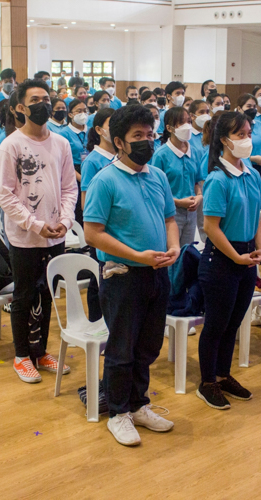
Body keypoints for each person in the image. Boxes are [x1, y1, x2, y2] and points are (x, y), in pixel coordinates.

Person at [84, 104, 179, 446]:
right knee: (122, 349)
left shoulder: (157, 176)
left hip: (157, 274)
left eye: (150, 134)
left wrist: (174, 247)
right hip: (123, 275)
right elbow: (93, 233)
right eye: (137, 136)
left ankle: (138, 404)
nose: (146, 142)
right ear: (120, 142)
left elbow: (170, 218)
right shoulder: (104, 180)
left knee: (148, 345)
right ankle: (119, 413)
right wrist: (137, 255)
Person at [0, 79, 76, 381]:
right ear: (21, 107)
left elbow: (69, 187)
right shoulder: (11, 144)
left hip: (56, 233)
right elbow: (4, 193)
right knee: (25, 295)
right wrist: (35, 224)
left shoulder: (62, 144)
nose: (43, 104)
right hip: (25, 236)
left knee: (47, 294)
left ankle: (41, 352)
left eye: (47, 98)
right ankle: (21, 355)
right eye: (35, 99)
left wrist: (65, 222)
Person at [196, 111, 261, 409]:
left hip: (246, 256)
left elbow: (257, 218)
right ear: (224, 140)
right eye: (240, 135)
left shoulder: (250, 173)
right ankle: (207, 382)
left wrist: (259, 248)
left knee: (233, 322)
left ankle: (224, 375)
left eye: (248, 133)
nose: (247, 139)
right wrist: (236, 256)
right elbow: (211, 227)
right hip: (222, 260)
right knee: (216, 324)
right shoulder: (217, 179)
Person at [80, 107, 115, 323]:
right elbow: (86, 203)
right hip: (101, 228)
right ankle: (96, 321)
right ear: (100, 130)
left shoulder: (123, 158)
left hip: (119, 228)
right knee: (98, 276)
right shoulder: (92, 161)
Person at [151, 106, 203, 246]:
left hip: (191, 212)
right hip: (170, 213)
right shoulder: (161, 155)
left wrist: (198, 197)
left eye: (188, 121)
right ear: (169, 127)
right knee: (171, 254)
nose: (186, 126)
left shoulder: (195, 152)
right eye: (181, 122)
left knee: (186, 255)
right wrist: (179, 202)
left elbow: (196, 182)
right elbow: (156, 191)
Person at [58, 98, 89, 223]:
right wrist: (81, 178)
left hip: (89, 168)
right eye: (79, 111)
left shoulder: (91, 130)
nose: (83, 114)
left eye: (85, 110)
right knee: (77, 208)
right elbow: (63, 162)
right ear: (70, 114)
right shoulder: (64, 134)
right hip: (73, 171)